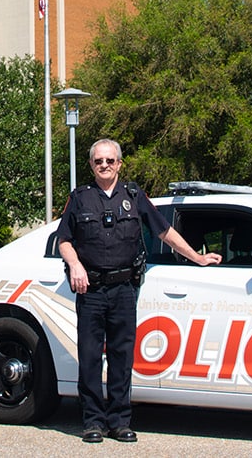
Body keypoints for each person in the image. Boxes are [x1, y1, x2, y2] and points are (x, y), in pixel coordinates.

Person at [57, 139, 221, 443]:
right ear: (91, 165)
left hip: (123, 290)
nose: (104, 166)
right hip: (91, 290)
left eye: (110, 161)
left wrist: (196, 257)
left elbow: (164, 231)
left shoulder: (134, 196)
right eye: (98, 161)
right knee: (91, 357)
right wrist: (75, 265)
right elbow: (64, 240)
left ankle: (119, 421)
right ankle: (93, 421)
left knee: (122, 358)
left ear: (120, 164)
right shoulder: (80, 198)